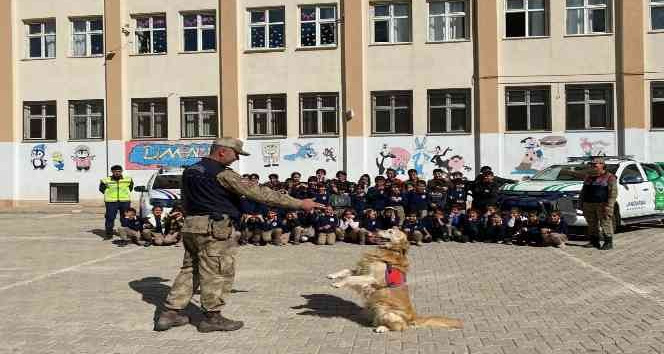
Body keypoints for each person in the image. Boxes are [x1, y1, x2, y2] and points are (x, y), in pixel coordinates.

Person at [154, 137, 322, 333]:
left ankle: (170, 314)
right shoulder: (223, 174)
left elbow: (185, 201)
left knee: (190, 269)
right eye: (235, 154)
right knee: (217, 271)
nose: (236, 159)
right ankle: (212, 317)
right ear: (222, 151)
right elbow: (259, 193)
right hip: (213, 228)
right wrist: (300, 204)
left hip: (192, 225)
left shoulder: (191, 171)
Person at [580, 157, 617, 250]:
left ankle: (608, 242)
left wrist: (609, 206)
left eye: (595, 165)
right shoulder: (588, 177)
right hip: (588, 204)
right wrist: (580, 202)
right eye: (591, 165)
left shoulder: (610, 177)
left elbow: (613, 193)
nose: (592, 167)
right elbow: (583, 191)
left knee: (605, 223)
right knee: (591, 223)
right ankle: (594, 242)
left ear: (602, 165)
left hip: (602, 204)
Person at [99, 165, 134, 239]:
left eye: (119, 171)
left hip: (125, 201)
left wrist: (125, 194)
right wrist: (109, 194)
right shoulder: (106, 180)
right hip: (111, 201)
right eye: (115, 171)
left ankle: (125, 233)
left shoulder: (128, 179)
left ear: (121, 171)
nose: (117, 173)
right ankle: (109, 234)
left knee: (125, 217)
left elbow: (130, 188)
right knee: (110, 217)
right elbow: (101, 189)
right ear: (112, 172)